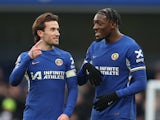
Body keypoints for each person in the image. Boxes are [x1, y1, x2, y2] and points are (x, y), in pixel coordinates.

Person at [77, 8, 147, 120]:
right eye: (94, 23)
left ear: (113, 24)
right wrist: (86, 67)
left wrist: (115, 95)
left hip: (121, 113)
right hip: (98, 113)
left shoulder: (131, 47)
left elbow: (141, 83)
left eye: (99, 23)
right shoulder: (94, 47)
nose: (95, 27)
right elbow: (80, 81)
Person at [9, 12, 78, 120]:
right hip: (32, 117)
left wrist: (67, 113)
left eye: (57, 29)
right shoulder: (25, 56)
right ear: (40, 33)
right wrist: (28, 58)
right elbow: (13, 81)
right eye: (52, 29)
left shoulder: (65, 57)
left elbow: (73, 88)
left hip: (58, 117)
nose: (57, 33)